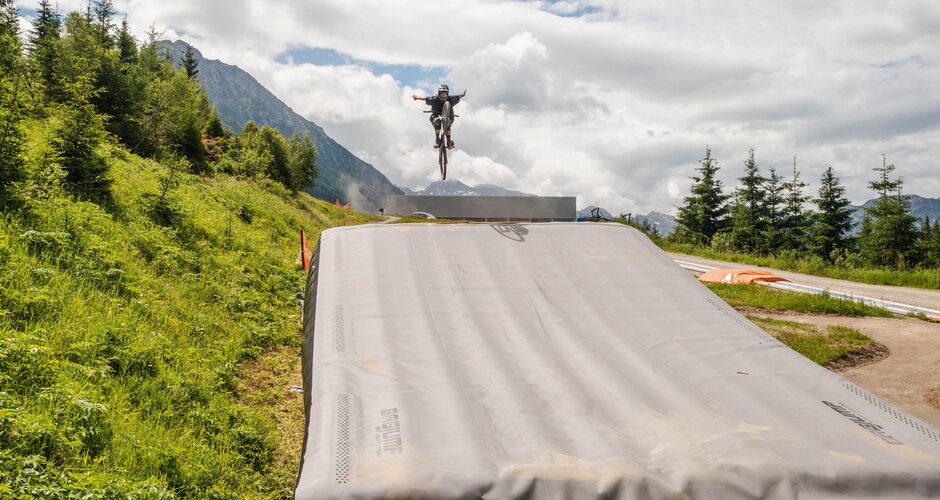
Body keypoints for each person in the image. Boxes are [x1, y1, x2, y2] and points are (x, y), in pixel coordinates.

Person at [412, 84, 466, 149]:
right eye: (442, 94)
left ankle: (449, 141)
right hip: (436, 115)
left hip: (449, 115)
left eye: (445, 94)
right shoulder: (434, 99)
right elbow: (424, 98)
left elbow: (458, 96)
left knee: (448, 123)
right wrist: (417, 97)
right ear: (439, 93)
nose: (443, 96)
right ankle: (437, 139)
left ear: (447, 94)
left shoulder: (451, 99)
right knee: (437, 121)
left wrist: (463, 94)